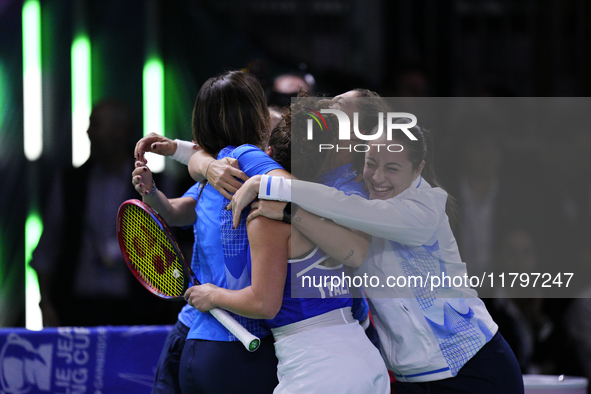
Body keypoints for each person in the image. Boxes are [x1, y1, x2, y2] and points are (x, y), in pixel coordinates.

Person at [229, 117, 524, 393]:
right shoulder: (354, 195)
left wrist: (270, 185)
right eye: (372, 164)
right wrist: (197, 158)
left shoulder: (425, 208)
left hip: (475, 368)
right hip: (411, 380)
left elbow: (348, 209)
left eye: (392, 168)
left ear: (418, 169)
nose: (379, 177)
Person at [30, 99, 175, 327]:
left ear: (120, 131)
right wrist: (45, 302)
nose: (88, 132)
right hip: (78, 310)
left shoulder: (156, 185)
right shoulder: (70, 183)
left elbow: (174, 255)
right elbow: (48, 248)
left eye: (95, 124)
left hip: (138, 314)